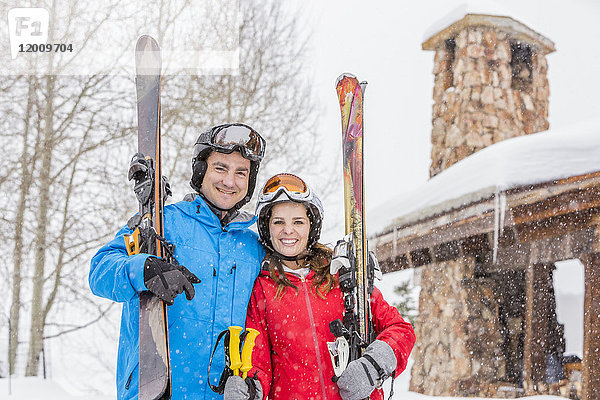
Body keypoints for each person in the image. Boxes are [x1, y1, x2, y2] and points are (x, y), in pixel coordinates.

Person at [89, 123, 267, 400]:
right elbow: (100, 271)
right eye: (220, 168)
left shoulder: (254, 248)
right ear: (201, 171)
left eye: (240, 172)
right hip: (160, 389)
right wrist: (142, 269)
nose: (229, 181)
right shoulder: (164, 223)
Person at [224, 173, 416, 400]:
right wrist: (251, 387)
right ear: (267, 228)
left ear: (311, 226)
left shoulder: (341, 275)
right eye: (278, 222)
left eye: (298, 222)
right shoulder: (262, 290)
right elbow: (259, 362)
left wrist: (372, 367)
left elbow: (401, 330)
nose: (288, 230)